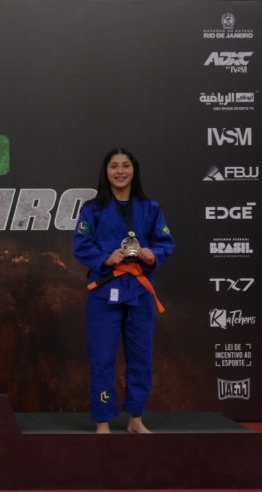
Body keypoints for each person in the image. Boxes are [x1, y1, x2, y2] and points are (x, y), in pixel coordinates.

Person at [73, 148, 174, 433]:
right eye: (114, 166)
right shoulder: (92, 209)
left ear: (134, 170)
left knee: (141, 357)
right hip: (105, 292)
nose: (120, 171)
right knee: (102, 357)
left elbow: (166, 242)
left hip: (139, 291)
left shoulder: (150, 208)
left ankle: (135, 418)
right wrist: (106, 258)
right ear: (105, 172)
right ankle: (103, 420)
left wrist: (153, 254)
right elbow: (81, 245)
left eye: (125, 165)